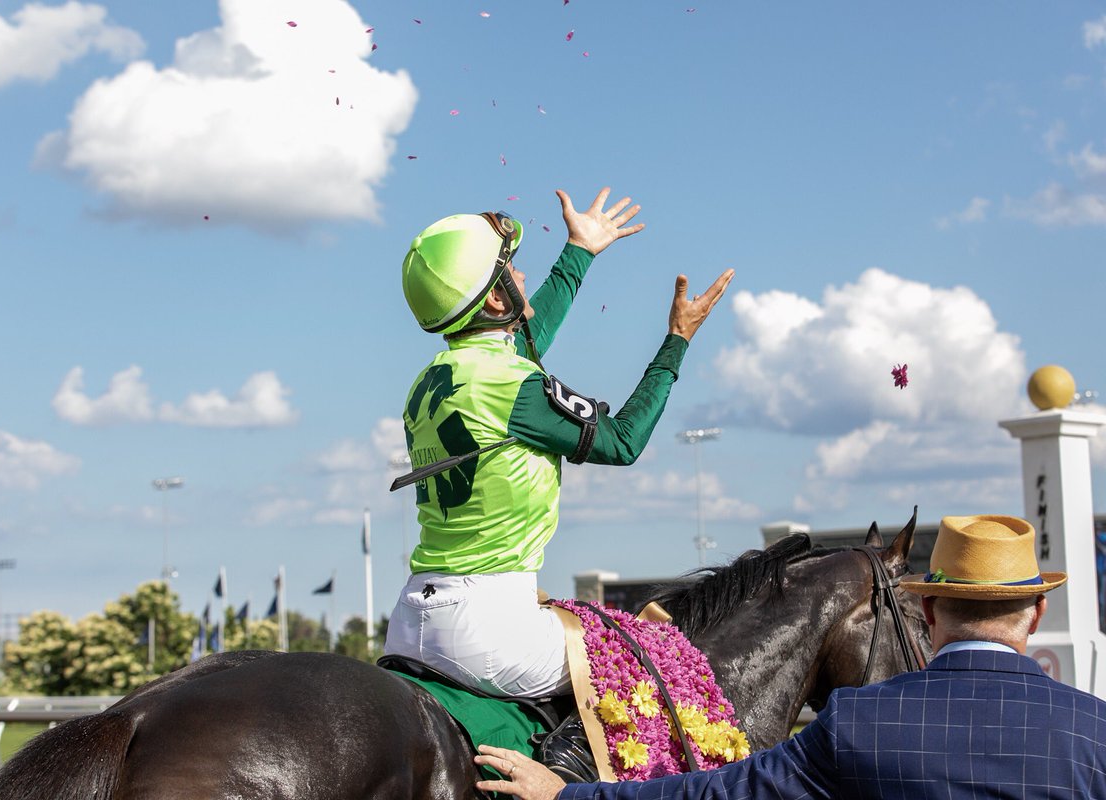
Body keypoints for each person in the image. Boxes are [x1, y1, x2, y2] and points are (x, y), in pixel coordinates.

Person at [476, 513, 1106, 799]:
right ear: (1037, 614)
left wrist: (566, 796)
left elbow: (721, 793)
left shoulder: (859, 724)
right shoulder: (1096, 734)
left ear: (934, 613)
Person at [384, 186, 735, 699]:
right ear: (498, 298)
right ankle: (569, 781)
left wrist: (581, 250)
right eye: (513, 267)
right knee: (653, 668)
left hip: (411, 618)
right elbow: (622, 442)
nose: (524, 273)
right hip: (486, 630)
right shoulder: (511, 384)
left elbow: (527, 339)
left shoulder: (432, 378)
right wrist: (676, 341)